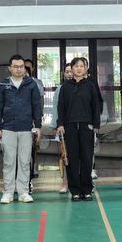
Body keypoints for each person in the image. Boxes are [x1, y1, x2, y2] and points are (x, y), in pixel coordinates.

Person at [0, 54, 43, 204]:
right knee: (9, 161)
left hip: (26, 128)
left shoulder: (31, 84)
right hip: (8, 128)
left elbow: (37, 106)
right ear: (10, 68)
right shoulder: (3, 84)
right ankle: (8, 192)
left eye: (21, 66)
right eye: (15, 66)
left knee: (24, 161)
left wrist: (38, 126)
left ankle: (23, 192)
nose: (19, 69)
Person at [56, 57, 101, 201]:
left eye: (82, 66)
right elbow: (61, 107)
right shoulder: (65, 87)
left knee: (87, 158)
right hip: (69, 126)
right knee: (72, 158)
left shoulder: (90, 85)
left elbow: (96, 106)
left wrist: (96, 125)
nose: (79, 69)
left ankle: (87, 189)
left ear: (86, 68)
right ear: (72, 68)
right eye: (76, 66)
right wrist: (60, 124)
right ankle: (75, 190)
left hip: (87, 126)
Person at [53, 63, 74, 194]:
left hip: (77, 127)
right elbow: (56, 108)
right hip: (63, 127)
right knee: (65, 156)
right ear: (63, 74)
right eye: (67, 72)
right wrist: (56, 125)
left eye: (71, 71)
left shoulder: (82, 86)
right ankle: (65, 183)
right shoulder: (60, 89)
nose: (69, 74)